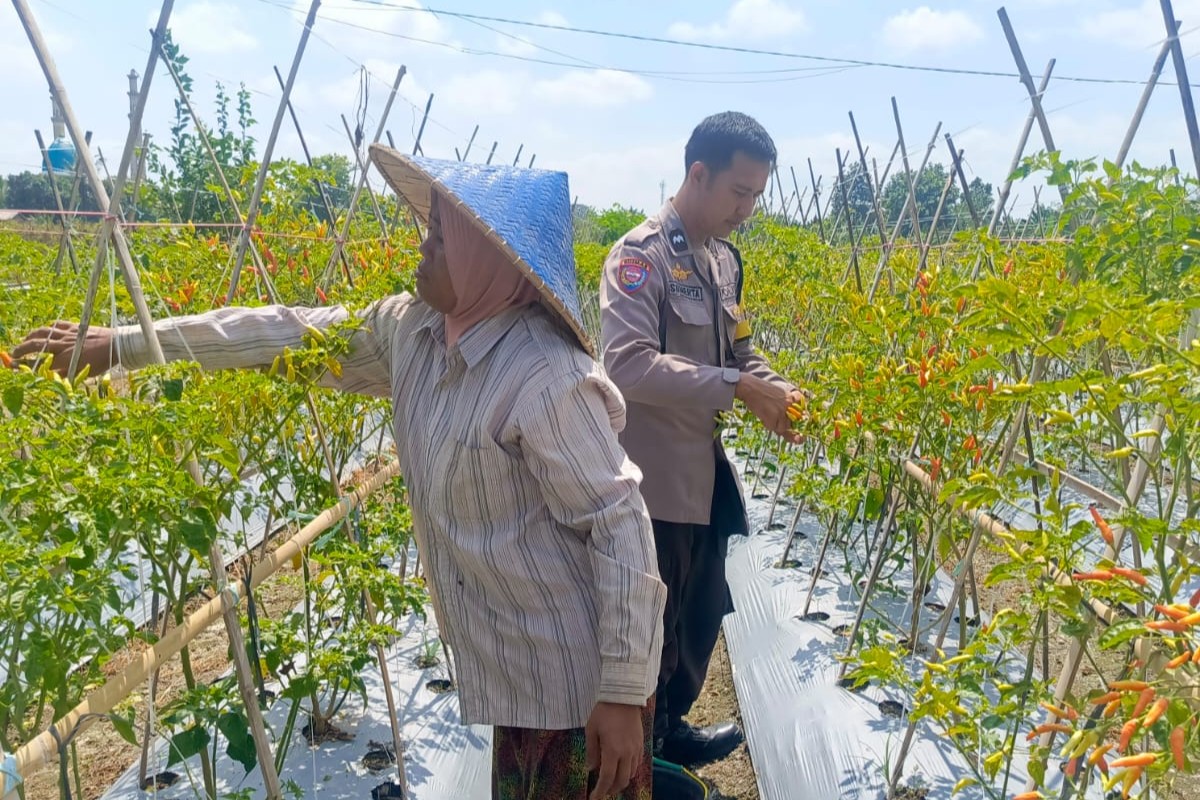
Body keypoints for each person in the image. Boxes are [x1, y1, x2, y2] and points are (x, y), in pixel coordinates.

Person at [15, 149, 667, 800]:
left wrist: (620, 692)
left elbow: (619, 524)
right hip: (518, 676)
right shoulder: (413, 333)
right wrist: (120, 344)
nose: (424, 246)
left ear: (486, 259)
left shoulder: (546, 376)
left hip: (585, 683)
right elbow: (286, 333)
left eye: (441, 236)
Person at [599, 111, 802, 768]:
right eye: (738, 193)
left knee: (701, 608)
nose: (746, 209)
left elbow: (741, 352)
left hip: (703, 474)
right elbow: (625, 363)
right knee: (649, 628)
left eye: (756, 196)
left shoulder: (723, 262)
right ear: (697, 173)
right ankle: (645, 760)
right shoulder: (640, 258)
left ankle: (670, 728)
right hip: (651, 482)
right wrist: (739, 389)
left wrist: (776, 389)